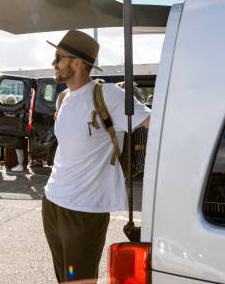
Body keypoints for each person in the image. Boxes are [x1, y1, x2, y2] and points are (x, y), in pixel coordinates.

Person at [42, 30, 150, 283]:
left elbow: (156, 124)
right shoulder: (63, 98)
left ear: (77, 63)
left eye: (58, 57)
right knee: (64, 279)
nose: (53, 63)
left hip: (86, 209)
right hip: (53, 202)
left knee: (81, 280)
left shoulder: (108, 95)